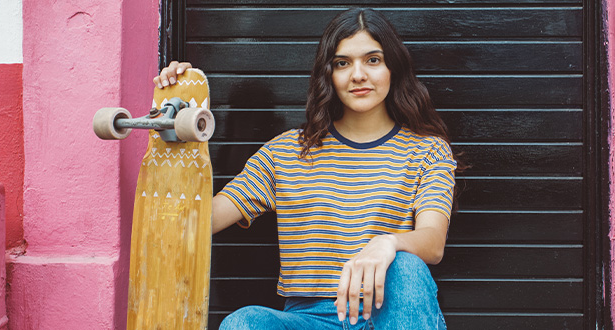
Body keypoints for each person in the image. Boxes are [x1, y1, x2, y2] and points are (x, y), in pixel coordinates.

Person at [155, 8, 456, 330]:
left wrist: (389, 243)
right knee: (245, 322)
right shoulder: (286, 152)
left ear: (392, 67)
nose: (358, 75)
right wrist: (180, 116)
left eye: (373, 60)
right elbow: (196, 221)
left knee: (406, 268)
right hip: (308, 320)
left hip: (387, 315)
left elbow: (432, 242)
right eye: (343, 63)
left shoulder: (427, 150)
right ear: (328, 73)